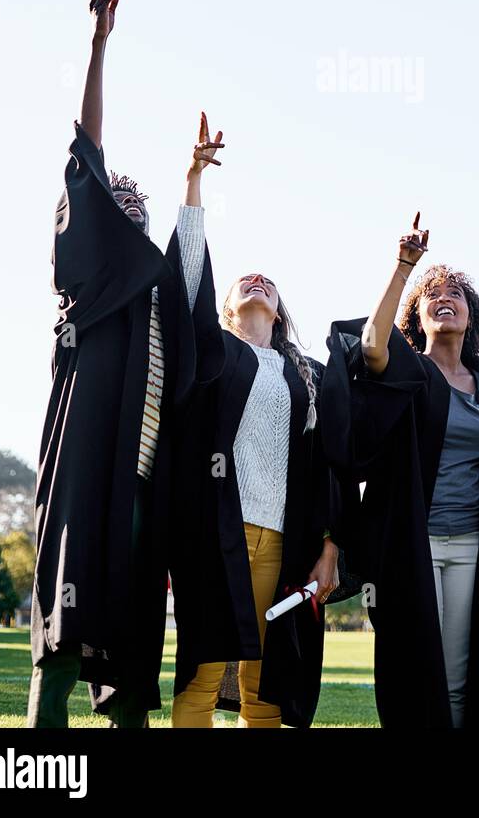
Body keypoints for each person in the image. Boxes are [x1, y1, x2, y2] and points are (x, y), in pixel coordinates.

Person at [27, 0, 223, 728]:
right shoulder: (92, 282)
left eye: (139, 200)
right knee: (71, 628)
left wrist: (190, 182)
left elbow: (191, 273)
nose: (127, 200)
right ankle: (45, 748)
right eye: (119, 196)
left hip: (143, 480)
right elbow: (87, 152)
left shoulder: (153, 291)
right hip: (86, 469)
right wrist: (98, 46)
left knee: (134, 635)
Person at [322, 215, 479, 730]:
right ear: (418, 318)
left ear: (472, 318)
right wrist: (405, 267)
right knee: (415, 666)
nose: (444, 299)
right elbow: (372, 346)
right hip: (411, 546)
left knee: (466, 672)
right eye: (433, 296)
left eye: (456, 295)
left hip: (477, 549)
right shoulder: (408, 372)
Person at [170, 256, 346, 729]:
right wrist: (193, 186)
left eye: (268, 281)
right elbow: (186, 290)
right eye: (244, 280)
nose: (258, 280)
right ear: (226, 309)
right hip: (216, 535)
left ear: (280, 313)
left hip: (284, 545)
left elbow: (332, 466)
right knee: (203, 672)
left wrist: (330, 546)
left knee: (266, 682)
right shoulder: (214, 354)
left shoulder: (309, 375)